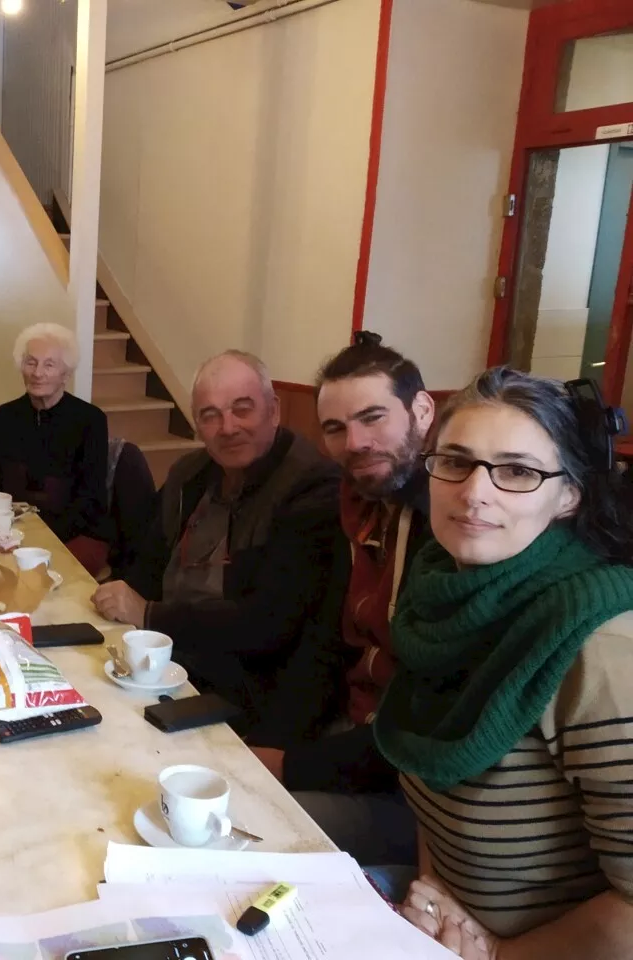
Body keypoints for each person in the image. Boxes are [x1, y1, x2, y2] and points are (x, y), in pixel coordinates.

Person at [371, 368, 633, 957]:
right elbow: (432, 781)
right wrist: (434, 900)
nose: (474, 492)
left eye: (518, 470)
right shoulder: (438, 605)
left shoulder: (604, 652)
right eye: (456, 461)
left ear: (570, 495)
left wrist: (495, 954)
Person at [245, 332, 433, 889]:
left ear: (423, 410)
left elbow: (419, 727)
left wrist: (286, 767)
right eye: (335, 428)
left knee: (241, 833)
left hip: (410, 790)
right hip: (348, 737)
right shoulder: (357, 510)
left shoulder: (454, 526)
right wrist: (264, 751)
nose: (355, 442)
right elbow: (324, 646)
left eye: (373, 417)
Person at [92, 350, 346, 726]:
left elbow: (268, 625)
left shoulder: (312, 487)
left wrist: (148, 614)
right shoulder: (188, 474)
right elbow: (147, 564)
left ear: (273, 410)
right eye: (210, 415)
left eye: (242, 409)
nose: (227, 427)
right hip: (167, 658)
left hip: (244, 688)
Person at [0, 323, 110, 575]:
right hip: (11, 531)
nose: (38, 373)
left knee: (38, 571)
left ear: (66, 374)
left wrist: (41, 538)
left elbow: (90, 499)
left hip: (76, 533)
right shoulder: (2, 417)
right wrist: (6, 532)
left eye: (49, 364)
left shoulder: (90, 420)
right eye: (31, 362)